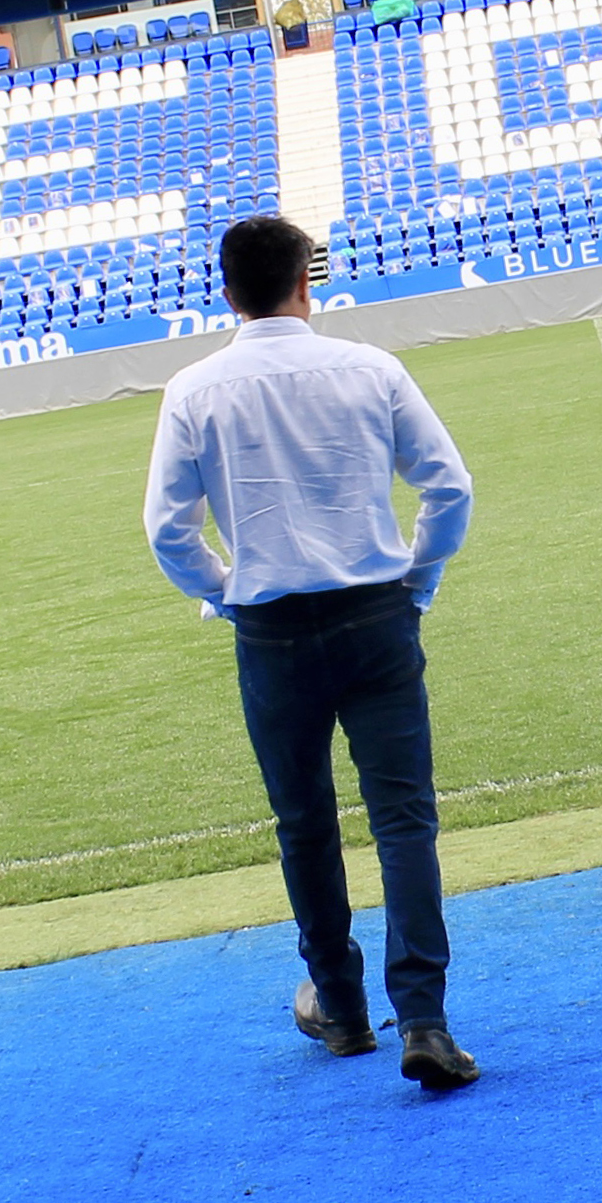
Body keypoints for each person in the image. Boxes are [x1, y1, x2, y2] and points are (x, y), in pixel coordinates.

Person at [147, 214, 482, 1089]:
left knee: (306, 824)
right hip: (376, 615)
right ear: (309, 279)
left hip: (273, 630)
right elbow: (450, 485)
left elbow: (167, 530)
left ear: (226, 291)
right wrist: (419, 576)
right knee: (403, 818)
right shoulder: (370, 367)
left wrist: (225, 590)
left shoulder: (193, 388)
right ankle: (426, 1019)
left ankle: (340, 1007)